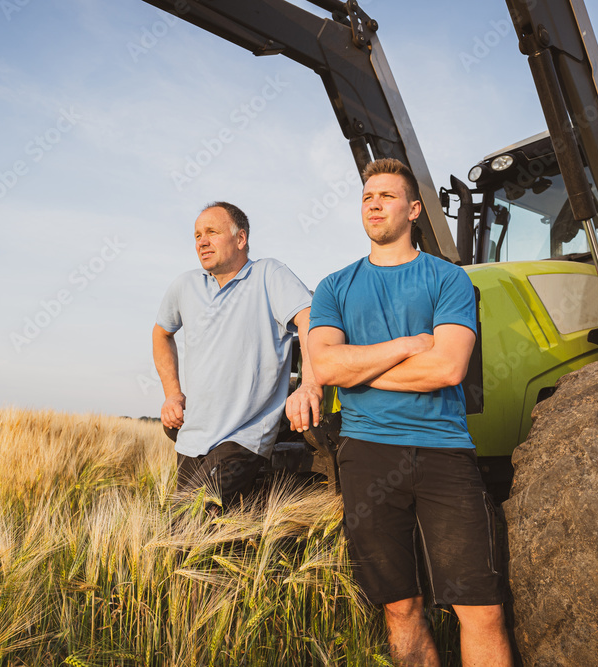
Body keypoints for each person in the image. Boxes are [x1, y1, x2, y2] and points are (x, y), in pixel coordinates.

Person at [306, 158, 512, 667]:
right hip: (367, 454)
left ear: (414, 209)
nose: (373, 204)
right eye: (366, 197)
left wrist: (357, 368)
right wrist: (406, 345)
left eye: (387, 196)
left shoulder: (448, 279)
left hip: (444, 453)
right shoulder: (335, 286)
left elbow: (446, 369)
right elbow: (324, 365)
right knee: (400, 607)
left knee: (481, 609)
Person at [152, 201, 322, 508]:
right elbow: (162, 333)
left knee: (187, 525)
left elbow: (310, 318)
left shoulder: (269, 275)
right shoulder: (185, 286)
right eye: (197, 235)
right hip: (193, 437)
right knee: (193, 541)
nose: (202, 241)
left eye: (212, 232)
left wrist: (309, 384)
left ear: (240, 239)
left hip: (245, 436)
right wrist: (172, 395)